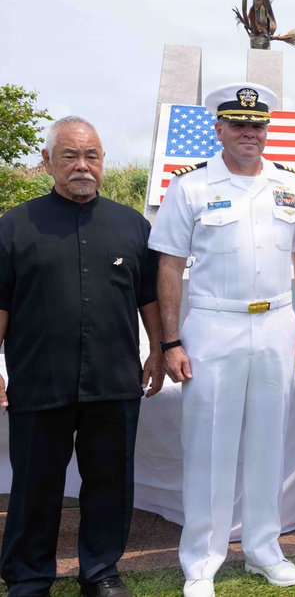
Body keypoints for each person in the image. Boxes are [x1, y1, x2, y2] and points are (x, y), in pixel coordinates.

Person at [149, 83, 295, 597]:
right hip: (212, 324)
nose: (250, 132)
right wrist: (171, 341)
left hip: (275, 323)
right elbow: (170, 265)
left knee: (270, 439)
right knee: (209, 442)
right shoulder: (191, 188)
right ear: (218, 129)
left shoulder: (291, 186)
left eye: (258, 125)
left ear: (267, 130)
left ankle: (265, 548)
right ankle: (202, 559)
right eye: (238, 124)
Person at [0, 116, 162, 597]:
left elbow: (148, 295)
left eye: (91, 156)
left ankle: (101, 572)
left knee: (110, 483)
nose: (82, 166)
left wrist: (158, 348)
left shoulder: (132, 224)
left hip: (113, 381)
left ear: (103, 162)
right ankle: (29, 578)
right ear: (48, 161)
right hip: (38, 380)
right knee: (34, 487)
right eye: (69, 156)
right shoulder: (13, 225)